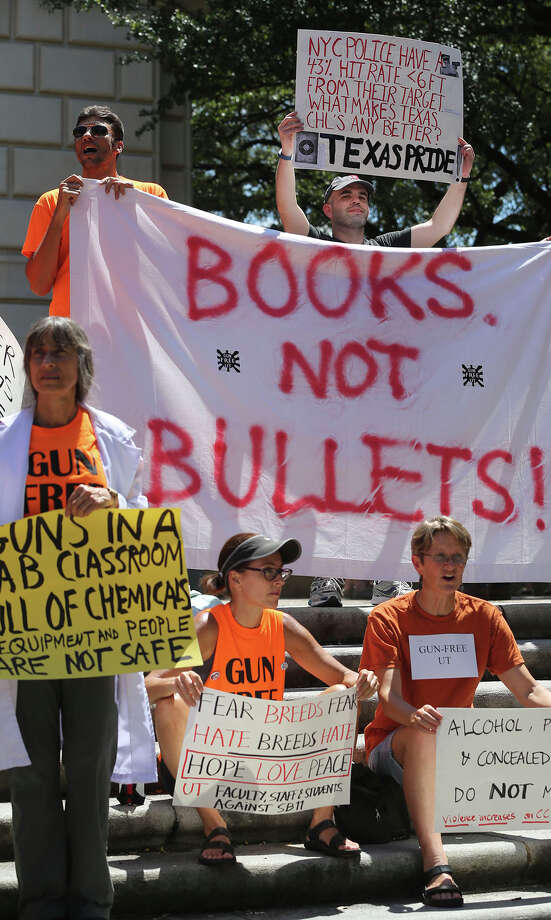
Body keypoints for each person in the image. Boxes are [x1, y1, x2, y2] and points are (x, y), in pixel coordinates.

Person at [360, 515, 551, 907]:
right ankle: (436, 866)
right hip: (396, 743)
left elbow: (528, 689)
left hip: (460, 747)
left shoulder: (484, 616)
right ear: (417, 563)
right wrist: (417, 716)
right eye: (440, 557)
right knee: (426, 733)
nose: (450, 567)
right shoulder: (388, 618)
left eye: (458, 559)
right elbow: (388, 700)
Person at [276, 111, 475, 608]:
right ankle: (326, 578)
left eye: (363, 195)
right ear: (328, 208)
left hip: (383, 389)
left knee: (390, 480)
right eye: (347, 194)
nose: (358, 200)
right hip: (325, 386)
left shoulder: (388, 248)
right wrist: (286, 150)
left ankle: (388, 574)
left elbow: (438, 226)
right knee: (327, 481)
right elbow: (287, 213)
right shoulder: (314, 243)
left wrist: (461, 176)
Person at [0, 315, 156, 920]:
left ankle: (92, 898)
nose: (49, 362)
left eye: (62, 352)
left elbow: (142, 518)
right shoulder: (7, 443)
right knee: (33, 766)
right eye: (39, 352)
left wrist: (113, 502)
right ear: (28, 369)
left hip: (96, 631)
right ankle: (41, 899)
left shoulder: (113, 440)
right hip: (27, 628)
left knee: (91, 762)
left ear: (80, 367)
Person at [145, 532, 379, 866]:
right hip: (212, 760)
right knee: (169, 704)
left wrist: (363, 680)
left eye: (281, 572)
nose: (279, 581)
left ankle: (322, 823)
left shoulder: (282, 625)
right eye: (268, 571)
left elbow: (343, 678)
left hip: (269, 756)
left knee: (341, 696)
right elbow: (148, 685)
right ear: (236, 579)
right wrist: (176, 681)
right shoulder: (209, 625)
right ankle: (216, 827)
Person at [22, 105, 168, 317]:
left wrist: (135, 206)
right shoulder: (52, 201)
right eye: (79, 132)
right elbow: (38, 285)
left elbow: (167, 266)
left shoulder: (149, 194)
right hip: (72, 336)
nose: (87, 136)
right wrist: (60, 214)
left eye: (98, 131)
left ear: (118, 146)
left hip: (131, 333)